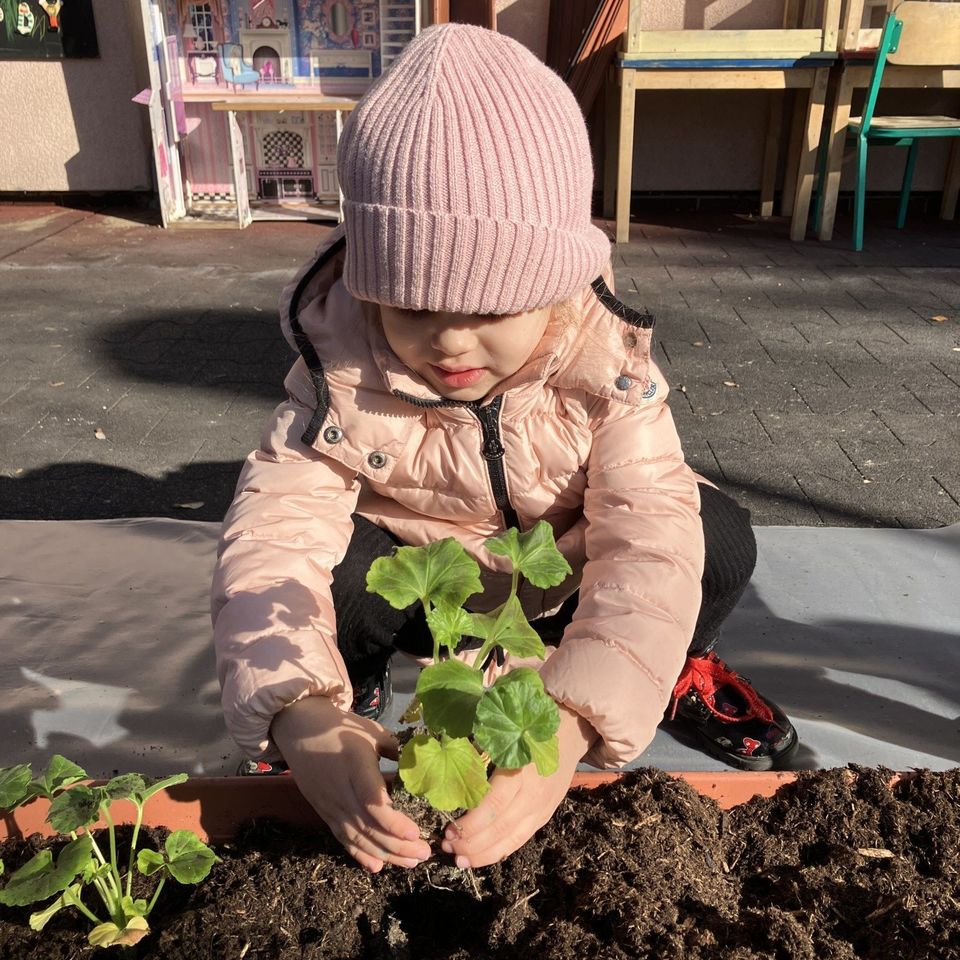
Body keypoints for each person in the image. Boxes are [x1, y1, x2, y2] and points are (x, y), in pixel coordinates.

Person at [211, 22, 798, 875]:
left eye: (489, 310)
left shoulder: (605, 368)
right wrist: (297, 706)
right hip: (430, 595)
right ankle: (351, 692)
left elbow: (650, 533)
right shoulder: (339, 370)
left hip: (560, 574)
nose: (449, 343)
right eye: (408, 308)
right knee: (328, 575)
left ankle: (649, 665)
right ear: (369, 286)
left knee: (711, 539)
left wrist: (572, 727)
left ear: (554, 286)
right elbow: (270, 537)